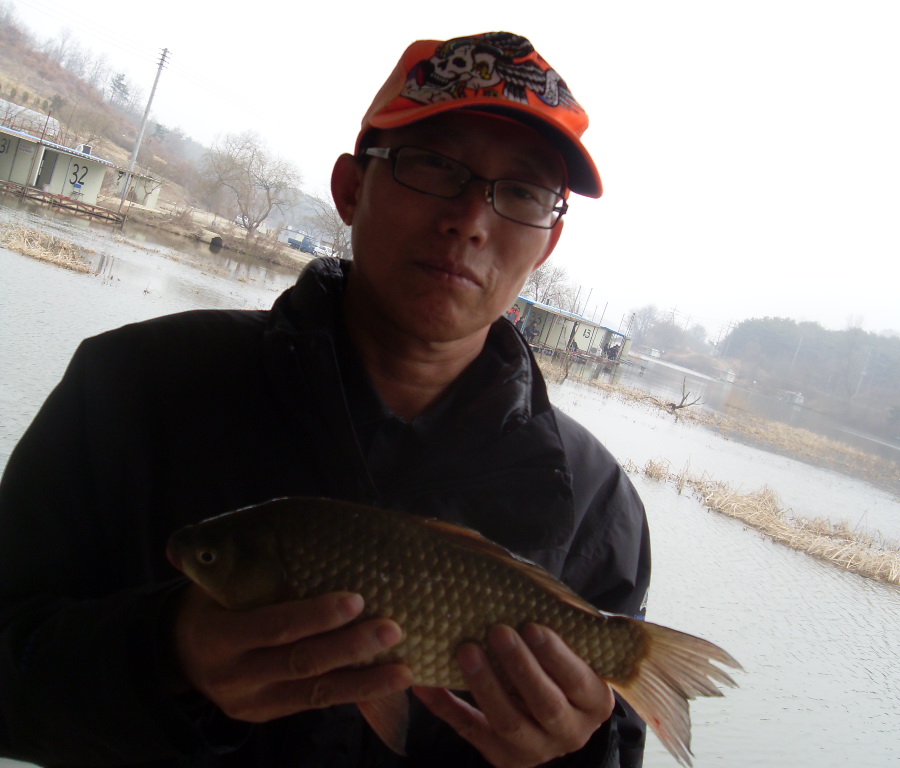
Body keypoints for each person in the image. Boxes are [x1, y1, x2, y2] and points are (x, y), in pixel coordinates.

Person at [0, 31, 650, 768]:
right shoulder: (128, 384)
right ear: (350, 188)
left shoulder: (599, 507)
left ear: (547, 244)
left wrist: (571, 754)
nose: (470, 221)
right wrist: (166, 656)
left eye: (523, 192)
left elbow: (615, 747)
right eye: (434, 164)